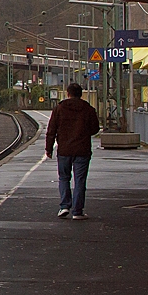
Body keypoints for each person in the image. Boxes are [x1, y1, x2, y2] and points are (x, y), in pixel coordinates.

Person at [44, 82, 101, 220]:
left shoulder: (59, 108)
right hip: (82, 150)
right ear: (80, 94)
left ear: (68, 94)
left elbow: (51, 130)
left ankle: (64, 206)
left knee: (64, 178)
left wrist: (49, 148)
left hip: (64, 150)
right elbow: (95, 129)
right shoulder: (88, 109)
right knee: (80, 180)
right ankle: (77, 211)